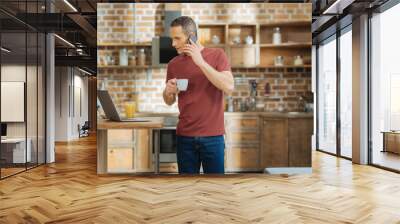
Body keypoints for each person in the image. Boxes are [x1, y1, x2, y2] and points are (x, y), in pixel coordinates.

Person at [163, 16, 234, 174]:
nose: (173, 44)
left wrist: (200, 62)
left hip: (213, 137)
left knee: (216, 189)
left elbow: (229, 86)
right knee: (187, 190)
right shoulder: (174, 64)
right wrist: (168, 91)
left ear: (192, 36)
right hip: (185, 137)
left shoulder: (217, 55)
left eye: (177, 38)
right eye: (172, 38)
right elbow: (169, 101)